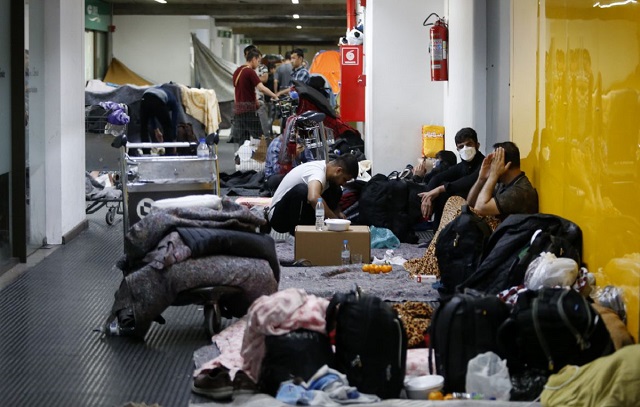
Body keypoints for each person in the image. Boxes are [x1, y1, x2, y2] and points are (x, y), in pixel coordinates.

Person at [268, 153, 359, 235]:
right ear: (338, 171)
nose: (344, 183)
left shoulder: (328, 170)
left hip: (299, 211)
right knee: (302, 190)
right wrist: (334, 221)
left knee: (336, 189)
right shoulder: (317, 172)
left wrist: (337, 212)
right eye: (344, 179)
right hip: (279, 218)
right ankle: (296, 234)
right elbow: (313, 198)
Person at [417, 127, 485, 229]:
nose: (465, 149)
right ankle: (436, 238)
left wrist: (440, 189)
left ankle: (441, 237)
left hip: (480, 203)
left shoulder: (485, 163)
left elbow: (471, 180)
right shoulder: (462, 166)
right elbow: (437, 178)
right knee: (438, 190)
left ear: (477, 145)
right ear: (457, 149)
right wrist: (428, 197)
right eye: (461, 146)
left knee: (445, 193)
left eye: (469, 144)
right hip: (464, 204)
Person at [466, 141, 538, 218]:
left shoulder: (520, 191)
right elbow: (470, 204)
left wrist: (493, 175)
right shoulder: (503, 183)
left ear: (503, 164)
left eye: (493, 162)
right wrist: (481, 179)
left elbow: (479, 209)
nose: (491, 166)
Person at [230, 48, 278, 145]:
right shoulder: (250, 72)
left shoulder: (237, 71)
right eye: (258, 61)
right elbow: (261, 88)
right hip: (249, 109)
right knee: (260, 137)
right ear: (254, 59)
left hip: (238, 109)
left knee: (243, 139)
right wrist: (275, 96)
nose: (258, 64)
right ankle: (261, 159)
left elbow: (242, 89)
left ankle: (240, 159)